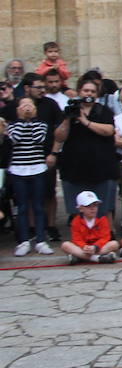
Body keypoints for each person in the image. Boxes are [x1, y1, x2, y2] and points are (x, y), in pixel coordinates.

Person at [54, 76, 119, 220]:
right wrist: (67, 120)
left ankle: (105, 234)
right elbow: (59, 137)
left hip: (101, 167)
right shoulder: (68, 111)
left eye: (92, 91)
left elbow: (109, 130)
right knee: (78, 208)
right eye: (85, 91)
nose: (89, 94)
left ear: (97, 94)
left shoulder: (103, 111)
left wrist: (85, 121)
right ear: (79, 92)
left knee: (102, 207)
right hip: (75, 167)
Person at [2, 95, 56, 256]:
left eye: (30, 105)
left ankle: (40, 240)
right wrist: (21, 120)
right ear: (18, 109)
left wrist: (31, 120)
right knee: (23, 207)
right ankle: (24, 241)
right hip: (18, 169)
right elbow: (15, 139)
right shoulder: (12, 125)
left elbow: (38, 139)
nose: (26, 108)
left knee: (39, 206)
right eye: (23, 105)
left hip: (37, 168)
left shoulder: (41, 124)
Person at [62, 190, 119, 264]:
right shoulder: (75, 221)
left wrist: (95, 247)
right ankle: (97, 258)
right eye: (88, 206)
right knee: (65, 245)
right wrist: (84, 247)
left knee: (114, 244)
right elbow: (76, 239)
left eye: (95, 205)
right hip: (83, 248)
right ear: (80, 208)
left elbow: (105, 237)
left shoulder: (103, 219)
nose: (93, 208)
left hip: (98, 247)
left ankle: (80, 257)